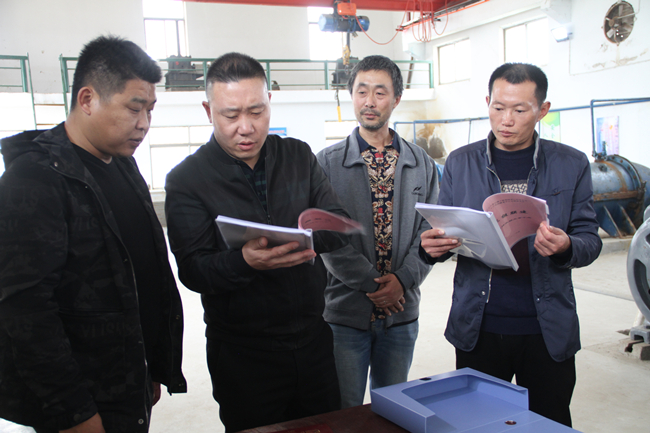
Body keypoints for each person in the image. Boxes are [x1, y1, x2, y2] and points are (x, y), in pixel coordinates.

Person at [0, 36, 186, 433]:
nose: (144, 123)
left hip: (128, 383)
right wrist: (74, 413)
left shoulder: (122, 165)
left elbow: (141, 271)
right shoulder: (34, 179)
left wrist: (151, 365)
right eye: (134, 108)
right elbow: (26, 312)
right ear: (87, 99)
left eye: (150, 110)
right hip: (80, 402)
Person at [164, 52, 348, 432]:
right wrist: (245, 262)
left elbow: (336, 223)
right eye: (231, 115)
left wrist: (305, 236)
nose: (245, 128)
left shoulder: (297, 155)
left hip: (312, 341)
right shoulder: (187, 180)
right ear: (208, 111)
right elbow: (194, 270)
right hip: (243, 355)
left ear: (269, 103)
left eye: (256, 111)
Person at [420, 63, 602, 427]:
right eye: (498, 107)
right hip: (479, 327)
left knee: (548, 423)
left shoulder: (571, 164)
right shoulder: (461, 162)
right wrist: (432, 248)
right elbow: (443, 227)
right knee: (478, 424)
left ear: (542, 110)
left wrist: (566, 246)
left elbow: (589, 239)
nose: (506, 120)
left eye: (519, 110)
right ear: (487, 102)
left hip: (546, 329)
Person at [316, 55, 437, 408]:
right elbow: (326, 237)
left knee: (392, 411)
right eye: (361, 91)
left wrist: (403, 280)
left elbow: (430, 231)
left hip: (401, 313)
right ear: (351, 95)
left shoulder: (421, 164)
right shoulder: (326, 163)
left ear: (396, 98)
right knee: (345, 412)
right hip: (344, 316)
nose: (369, 101)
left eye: (380, 92)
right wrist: (375, 285)